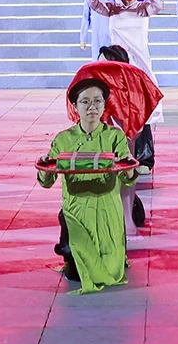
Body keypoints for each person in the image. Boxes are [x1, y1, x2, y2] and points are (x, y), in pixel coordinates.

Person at [39, 75, 136, 294]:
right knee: (76, 273)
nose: (92, 107)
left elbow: (127, 176)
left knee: (111, 274)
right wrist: (45, 166)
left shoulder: (114, 136)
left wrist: (130, 168)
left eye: (97, 101)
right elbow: (47, 179)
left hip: (107, 210)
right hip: (77, 210)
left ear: (104, 105)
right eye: (85, 102)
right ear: (75, 106)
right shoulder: (63, 139)